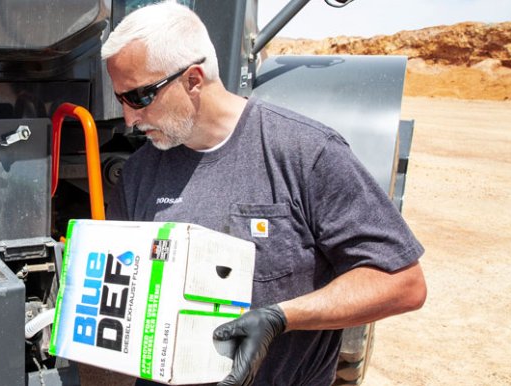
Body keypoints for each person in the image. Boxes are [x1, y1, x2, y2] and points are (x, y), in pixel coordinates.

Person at [98, 1, 427, 385]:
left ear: (192, 80)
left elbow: (402, 282)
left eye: (138, 97)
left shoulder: (307, 153)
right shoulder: (139, 173)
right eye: (121, 99)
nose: (129, 119)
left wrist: (281, 318)